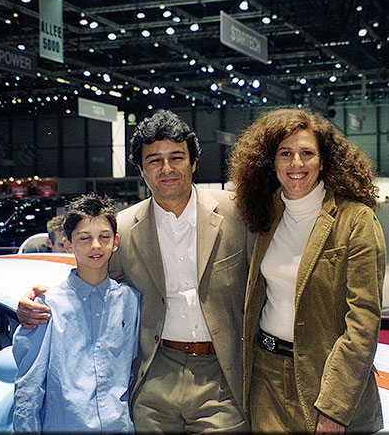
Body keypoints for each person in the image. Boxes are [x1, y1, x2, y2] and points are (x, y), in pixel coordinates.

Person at [17, 110, 251, 432]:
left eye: (177, 157)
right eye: (154, 160)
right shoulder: (123, 229)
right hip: (155, 375)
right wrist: (36, 303)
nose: (166, 169)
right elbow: (91, 277)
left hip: (222, 373)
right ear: (141, 170)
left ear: (194, 162)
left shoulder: (237, 212)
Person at [229, 108, 386, 433]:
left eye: (307, 153)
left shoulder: (355, 221)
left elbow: (363, 324)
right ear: (271, 161)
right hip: (266, 379)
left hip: (325, 381)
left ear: (323, 161)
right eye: (285, 154)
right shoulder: (262, 214)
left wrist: (335, 408)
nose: (296, 164)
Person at [13, 194, 140, 432]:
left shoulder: (131, 301)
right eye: (84, 238)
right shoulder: (47, 307)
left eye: (104, 237)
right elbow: (29, 387)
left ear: (115, 242)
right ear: (68, 244)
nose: (95, 246)